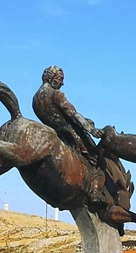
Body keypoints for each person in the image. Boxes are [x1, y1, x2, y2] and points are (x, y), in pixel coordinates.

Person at [32, 66, 107, 205]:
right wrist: (91, 129)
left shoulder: (35, 98)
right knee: (99, 161)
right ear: (52, 78)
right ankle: (95, 192)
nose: (62, 83)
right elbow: (73, 114)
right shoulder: (56, 94)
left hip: (55, 134)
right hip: (71, 135)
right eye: (60, 79)